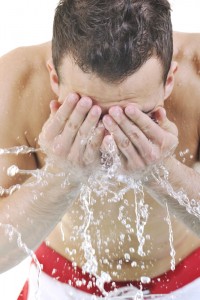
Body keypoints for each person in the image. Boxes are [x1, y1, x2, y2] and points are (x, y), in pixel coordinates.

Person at [0, 0, 200, 298]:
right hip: (62, 280)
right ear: (55, 79)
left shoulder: (196, 74)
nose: (110, 139)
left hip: (187, 277)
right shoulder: (16, 81)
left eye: (135, 117)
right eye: (88, 114)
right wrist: (61, 176)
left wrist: (163, 173)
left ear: (169, 79)